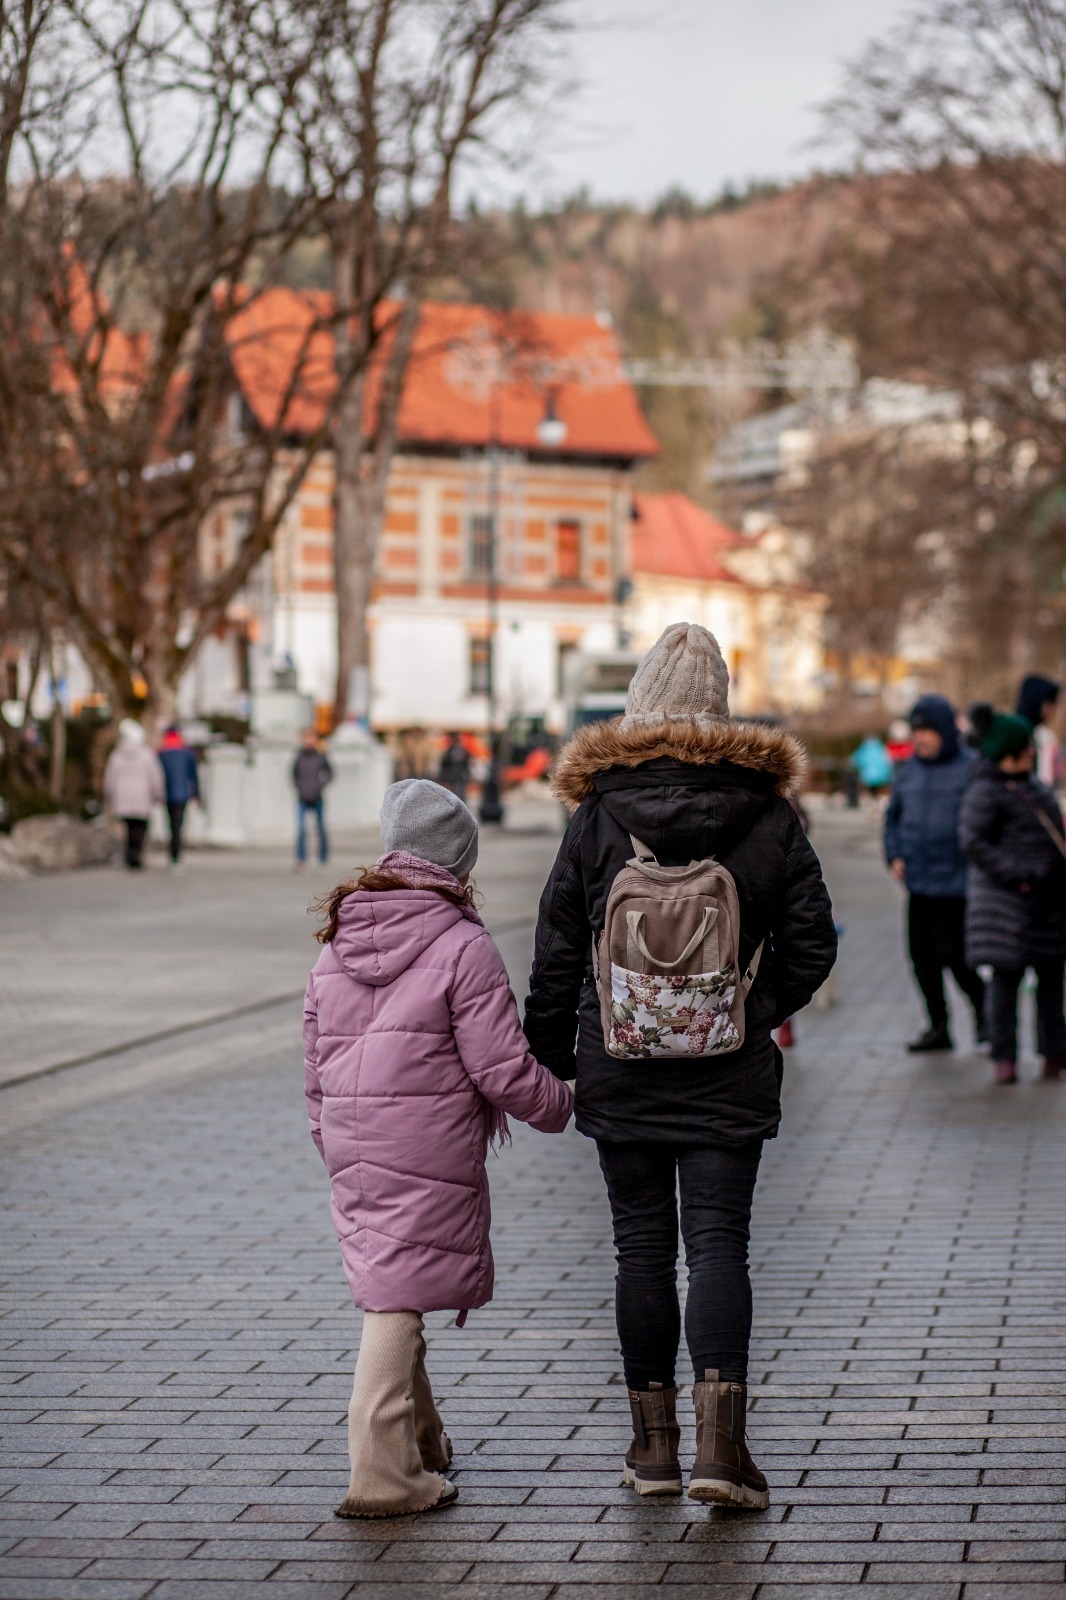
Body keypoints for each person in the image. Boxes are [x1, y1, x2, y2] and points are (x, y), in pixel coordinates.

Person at [523, 622, 837, 1510]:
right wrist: (743, 1011)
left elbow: (554, 951)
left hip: (619, 1068)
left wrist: (556, 1053)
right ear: (721, 709)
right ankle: (720, 1452)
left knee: (641, 1251)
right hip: (726, 1073)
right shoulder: (769, 815)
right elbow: (812, 943)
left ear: (637, 709)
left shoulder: (597, 814)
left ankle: (652, 1451)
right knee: (718, 1244)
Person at [303, 779, 572, 1518]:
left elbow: (313, 1065)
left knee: (398, 1278)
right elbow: (500, 1067)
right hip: (428, 1146)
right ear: (459, 860)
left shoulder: (338, 940)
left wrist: (332, 1138)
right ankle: (382, 1477)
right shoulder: (461, 942)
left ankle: (422, 1443)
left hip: (355, 1144)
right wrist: (563, 1105)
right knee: (396, 1302)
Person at [959, 711, 1066, 1085]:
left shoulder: (1032, 786)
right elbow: (973, 842)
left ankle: (1055, 1052)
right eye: (1026, 749)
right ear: (1011, 751)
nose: (1031, 754)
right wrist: (1020, 875)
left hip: (1046, 903)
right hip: (1007, 906)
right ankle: (1005, 1058)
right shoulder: (986, 791)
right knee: (1006, 982)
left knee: (1052, 981)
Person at [884, 694, 986, 1053]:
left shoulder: (972, 767)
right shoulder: (908, 770)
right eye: (917, 730)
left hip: (958, 885)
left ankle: (984, 1013)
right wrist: (894, 854)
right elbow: (892, 819)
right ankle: (938, 1027)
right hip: (919, 884)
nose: (920, 737)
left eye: (927, 730)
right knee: (922, 960)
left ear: (944, 730)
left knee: (957, 959)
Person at [103, 718, 164, 869]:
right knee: (140, 827)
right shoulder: (146, 754)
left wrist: (110, 795)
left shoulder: (116, 755)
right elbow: (155, 776)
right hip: (141, 797)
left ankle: (130, 853)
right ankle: (136, 852)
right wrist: (158, 794)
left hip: (122, 797)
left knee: (129, 826)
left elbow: (109, 779)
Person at [157, 724, 200, 869]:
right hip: (182, 794)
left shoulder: (161, 753)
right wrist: (197, 794)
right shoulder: (187, 753)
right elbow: (193, 775)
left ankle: (172, 854)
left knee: (171, 825)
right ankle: (176, 856)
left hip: (167, 794)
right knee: (178, 826)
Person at [293, 726, 333, 868]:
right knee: (301, 829)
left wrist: (319, 786)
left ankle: (323, 858)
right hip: (302, 798)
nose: (309, 740)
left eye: (311, 737)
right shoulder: (299, 757)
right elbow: (294, 775)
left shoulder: (320, 756)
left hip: (317, 798)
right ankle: (301, 859)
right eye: (306, 737)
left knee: (321, 829)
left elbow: (329, 773)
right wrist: (300, 788)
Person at [1015, 674, 1061, 789]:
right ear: (1036, 701)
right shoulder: (1017, 736)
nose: (1053, 710)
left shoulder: (1032, 733)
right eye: (1050, 703)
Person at [849, 734, 894, 798]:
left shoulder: (863, 749)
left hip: (867, 778)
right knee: (881, 794)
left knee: (868, 794)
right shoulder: (881, 748)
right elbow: (889, 761)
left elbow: (853, 761)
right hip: (882, 778)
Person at [437, 732, 471, 801]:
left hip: (459, 777)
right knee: (454, 795)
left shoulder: (463, 751)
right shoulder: (449, 751)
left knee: (460, 794)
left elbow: (466, 765)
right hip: (452, 778)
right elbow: (444, 766)